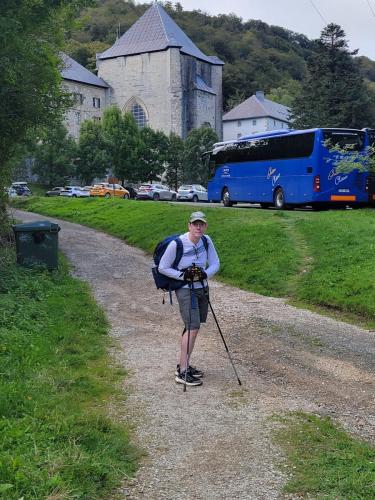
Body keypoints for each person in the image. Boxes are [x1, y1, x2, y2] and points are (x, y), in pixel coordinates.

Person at [158, 211, 220, 386]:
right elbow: (163, 267)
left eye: (201, 224)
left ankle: (183, 365)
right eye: (195, 224)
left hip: (202, 288)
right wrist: (183, 276)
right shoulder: (178, 243)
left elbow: (216, 263)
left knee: (193, 326)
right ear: (189, 225)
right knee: (192, 327)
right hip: (186, 290)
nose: (198, 227)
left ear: (205, 226)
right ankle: (182, 372)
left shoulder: (207, 241)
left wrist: (204, 274)